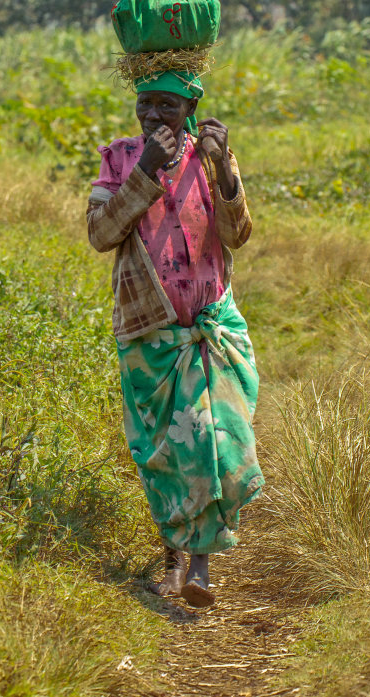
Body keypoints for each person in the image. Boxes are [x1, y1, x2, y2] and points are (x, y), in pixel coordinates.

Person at [87, 69, 263, 608]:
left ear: (191, 108)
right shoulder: (120, 158)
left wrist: (225, 170)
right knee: (165, 449)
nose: (153, 116)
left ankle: (201, 567)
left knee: (216, 438)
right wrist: (143, 172)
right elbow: (100, 233)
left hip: (211, 324)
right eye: (145, 104)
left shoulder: (211, 158)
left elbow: (238, 234)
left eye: (167, 105)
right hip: (152, 331)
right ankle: (174, 555)